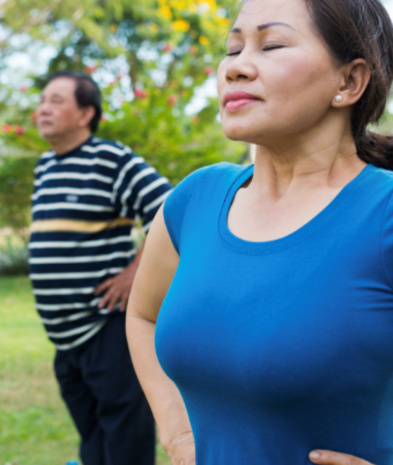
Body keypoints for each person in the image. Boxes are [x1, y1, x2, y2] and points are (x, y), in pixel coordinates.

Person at [127, 0, 393, 464]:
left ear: (349, 81)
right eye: (233, 48)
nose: (236, 68)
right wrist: (177, 434)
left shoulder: (385, 213)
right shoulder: (194, 200)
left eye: (271, 45)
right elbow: (143, 317)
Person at [31, 71, 172, 465]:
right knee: (92, 439)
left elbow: (170, 209)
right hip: (65, 337)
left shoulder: (110, 158)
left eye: (56, 101)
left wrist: (135, 274)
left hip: (105, 328)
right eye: (43, 100)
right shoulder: (46, 165)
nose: (43, 108)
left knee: (126, 440)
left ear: (85, 114)